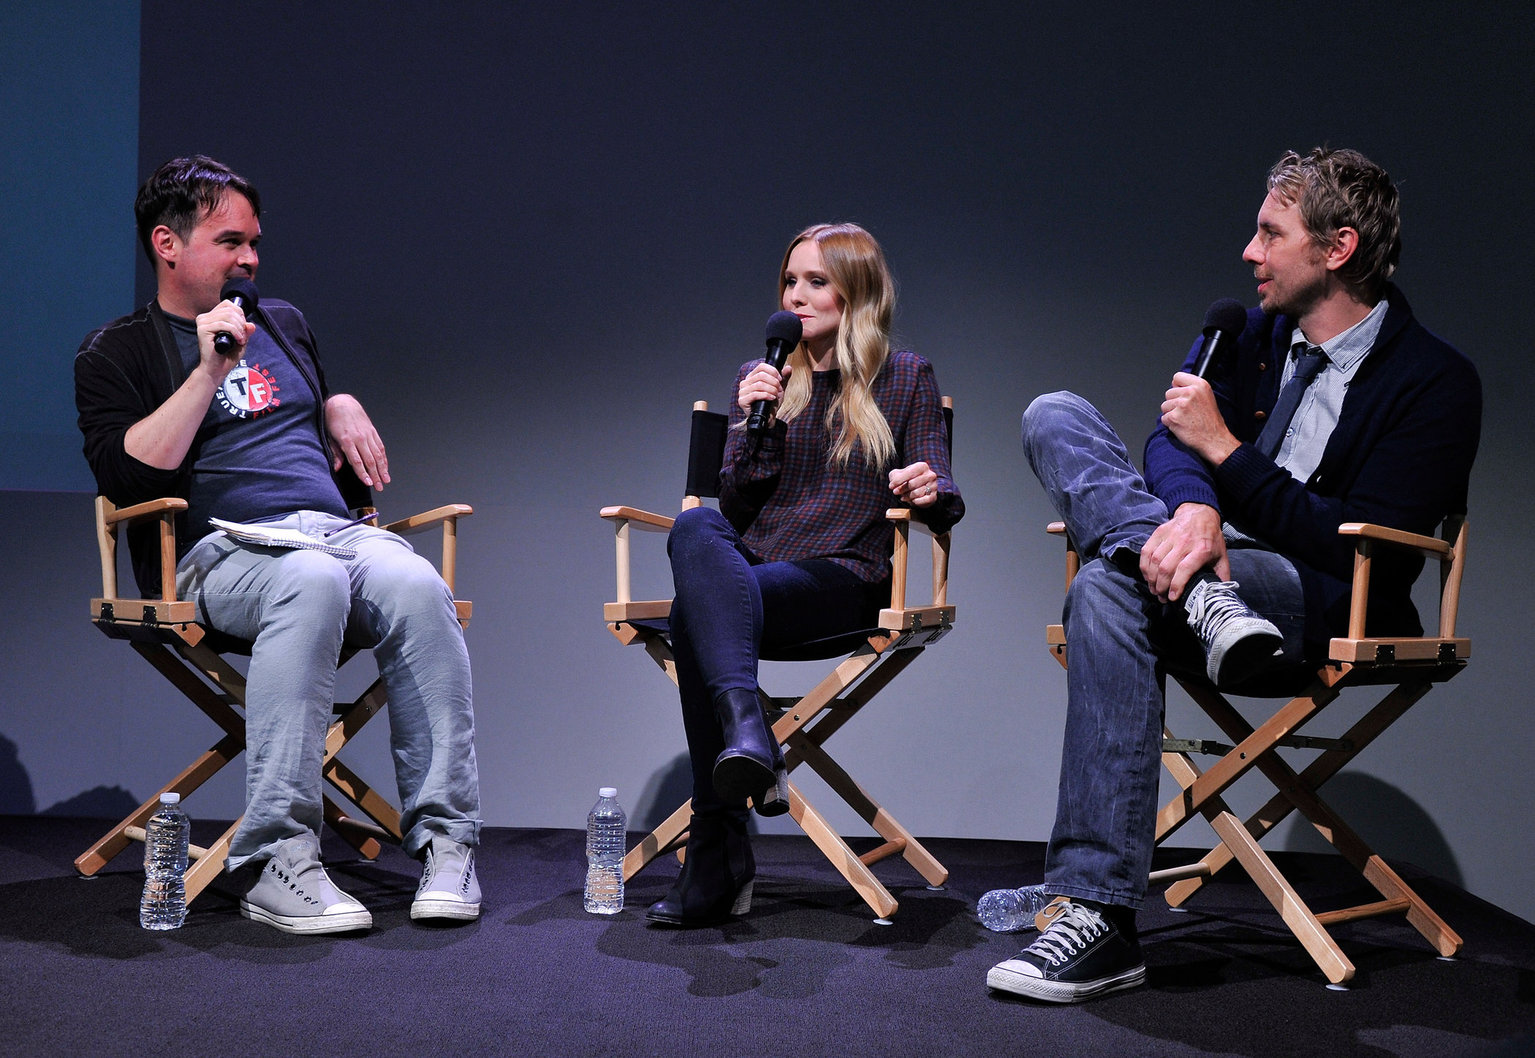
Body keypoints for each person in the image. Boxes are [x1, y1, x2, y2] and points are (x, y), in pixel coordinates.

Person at [990, 148, 1481, 1002]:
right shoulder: (1247, 333)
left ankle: (1099, 917)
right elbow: (1163, 438)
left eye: (1269, 233)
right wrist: (1195, 512)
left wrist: (1224, 456)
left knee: (1106, 586)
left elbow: (1369, 548)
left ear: (1337, 248)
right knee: (1053, 415)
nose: (1248, 253)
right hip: (1206, 579)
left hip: (1325, 602)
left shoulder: (1434, 380)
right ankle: (1207, 600)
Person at [75, 156, 483, 934]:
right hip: (215, 555)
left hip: (330, 532)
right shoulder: (116, 351)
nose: (251, 258)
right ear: (167, 243)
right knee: (311, 582)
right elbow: (129, 478)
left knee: (416, 584)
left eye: (254, 242)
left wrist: (337, 399)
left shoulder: (283, 322)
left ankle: (447, 843)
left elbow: (304, 410)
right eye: (231, 241)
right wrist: (208, 368)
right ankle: (277, 859)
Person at [647, 222, 964, 926]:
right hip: (754, 576)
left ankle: (718, 847)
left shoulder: (905, 375)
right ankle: (746, 726)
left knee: (689, 616)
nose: (796, 296)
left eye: (815, 281)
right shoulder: (760, 379)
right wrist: (757, 418)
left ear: (856, 292)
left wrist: (923, 487)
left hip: (845, 579)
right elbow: (733, 507)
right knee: (696, 525)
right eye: (789, 281)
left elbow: (943, 491)